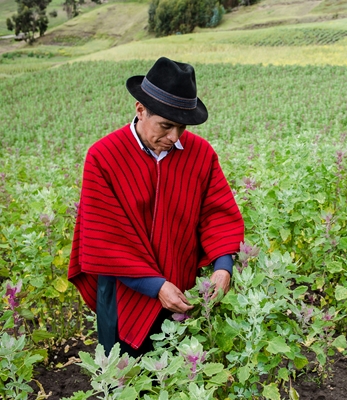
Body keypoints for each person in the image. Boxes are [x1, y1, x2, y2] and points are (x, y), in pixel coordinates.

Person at [68, 57, 244, 357]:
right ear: (140, 110)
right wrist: (155, 285)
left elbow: (217, 214)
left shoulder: (200, 154)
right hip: (124, 294)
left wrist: (223, 267)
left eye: (181, 127)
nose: (174, 137)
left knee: (178, 377)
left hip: (183, 289)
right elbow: (105, 237)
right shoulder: (104, 156)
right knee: (125, 379)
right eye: (166, 126)